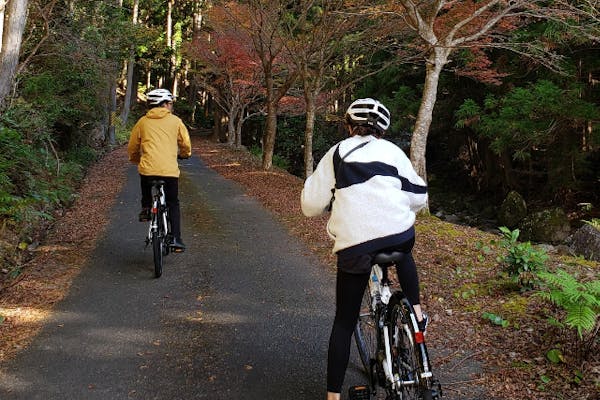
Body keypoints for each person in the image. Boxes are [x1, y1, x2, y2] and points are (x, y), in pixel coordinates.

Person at [300, 98, 429, 400]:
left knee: (344, 321)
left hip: (357, 245)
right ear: (382, 129)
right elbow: (419, 194)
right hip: (398, 237)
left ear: (348, 125)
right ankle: (417, 312)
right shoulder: (393, 152)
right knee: (403, 245)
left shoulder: (337, 154)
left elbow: (309, 206)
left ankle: (333, 396)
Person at [127, 88, 192, 252]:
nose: (171, 106)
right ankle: (176, 238)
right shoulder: (176, 121)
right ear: (164, 104)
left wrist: (135, 159)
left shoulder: (142, 122)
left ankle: (146, 208)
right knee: (172, 203)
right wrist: (185, 155)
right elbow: (185, 144)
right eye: (170, 103)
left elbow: (133, 146)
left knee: (145, 177)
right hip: (169, 171)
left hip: (148, 169)